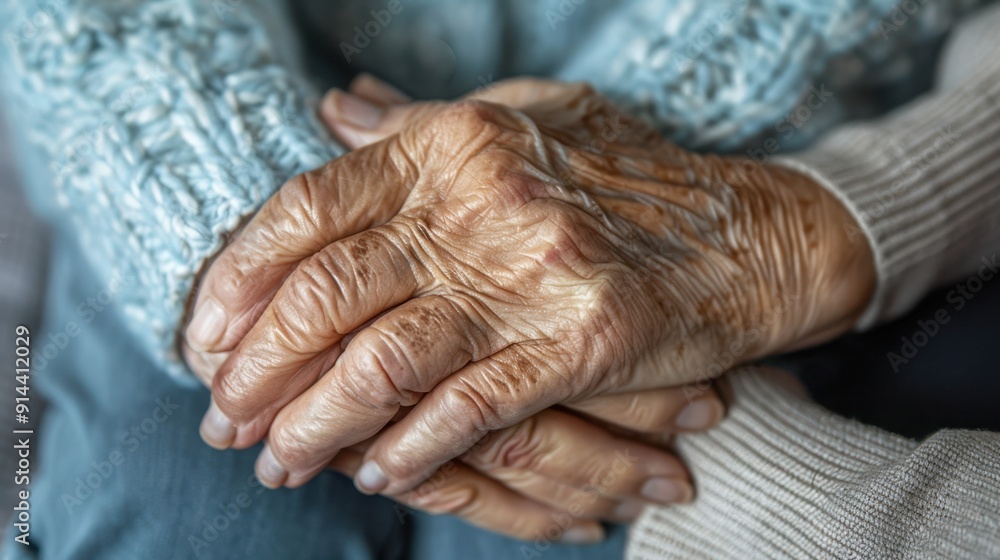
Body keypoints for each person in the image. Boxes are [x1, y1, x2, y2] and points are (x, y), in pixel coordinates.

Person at [0, 1, 997, 559]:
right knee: (161, 516)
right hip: (214, 143)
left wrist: (636, 188)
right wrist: (240, 215)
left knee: (550, 533)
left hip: (762, 163)